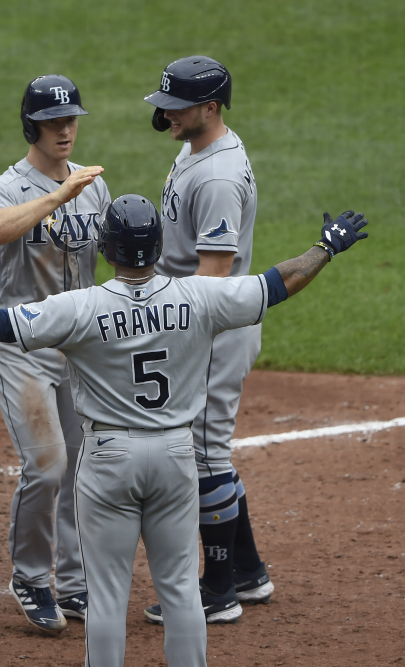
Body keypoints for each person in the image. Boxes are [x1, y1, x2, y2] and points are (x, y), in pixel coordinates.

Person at [0, 195, 369, 666]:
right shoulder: (201, 298)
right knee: (182, 590)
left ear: (105, 248)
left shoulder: (80, 308)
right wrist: (326, 247)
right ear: (160, 246)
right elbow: (279, 284)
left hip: (108, 461)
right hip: (174, 456)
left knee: (107, 594)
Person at [0, 74, 111, 630]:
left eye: (71, 119)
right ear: (31, 125)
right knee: (48, 465)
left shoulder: (94, 184)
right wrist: (57, 196)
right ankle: (32, 576)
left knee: (84, 467)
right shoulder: (3, 188)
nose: (65, 129)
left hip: (77, 349)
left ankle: (77, 585)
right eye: (54, 121)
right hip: (21, 347)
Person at [140, 55, 272, 624]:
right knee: (207, 449)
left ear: (210, 109)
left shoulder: (217, 177)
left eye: (177, 105)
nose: (166, 113)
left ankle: (217, 592)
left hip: (211, 326)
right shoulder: (197, 147)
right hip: (207, 321)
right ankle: (248, 572)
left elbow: (212, 276)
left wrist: (164, 318)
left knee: (202, 453)